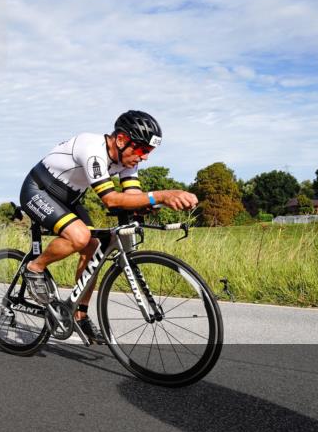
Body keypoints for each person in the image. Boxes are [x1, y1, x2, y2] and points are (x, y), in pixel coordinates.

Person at [18, 110, 199, 343]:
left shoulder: (127, 160)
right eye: (143, 150)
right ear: (121, 140)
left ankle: (79, 315)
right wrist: (162, 195)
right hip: (38, 190)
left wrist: (149, 204)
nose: (144, 157)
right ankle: (35, 268)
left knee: (93, 246)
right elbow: (112, 199)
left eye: (149, 152)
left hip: (69, 198)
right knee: (80, 236)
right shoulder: (93, 149)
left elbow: (133, 195)